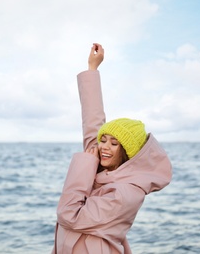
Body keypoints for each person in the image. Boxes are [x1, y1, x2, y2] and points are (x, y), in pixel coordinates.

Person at [52, 43, 172, 254]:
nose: (105, 147)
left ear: (127, 152)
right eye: (103, 140)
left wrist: (82, 166)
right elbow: (93, 121)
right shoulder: (100, 160)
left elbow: (69, 215)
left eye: (114, 144)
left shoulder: (126, 192)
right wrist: (92, 69)